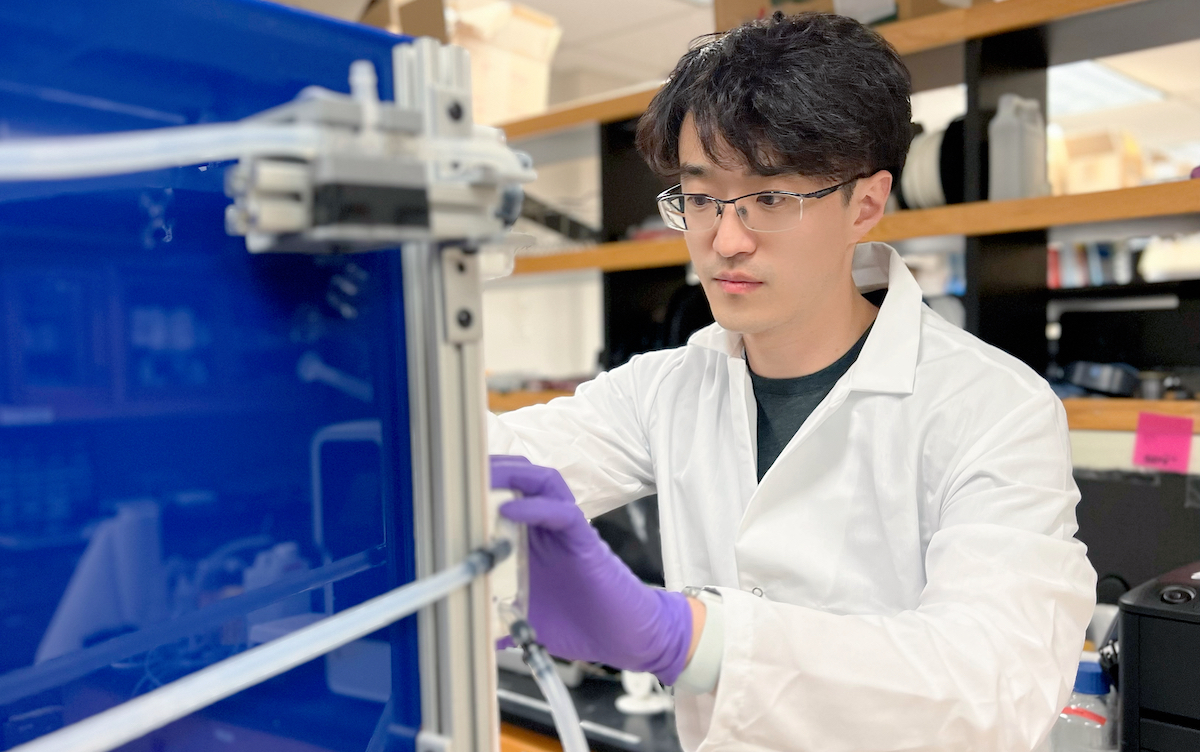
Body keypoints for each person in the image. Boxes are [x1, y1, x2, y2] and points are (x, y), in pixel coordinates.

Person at [488, 11, 1096, 752]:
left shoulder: (995, 408)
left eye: (771, 199)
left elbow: (992, 684)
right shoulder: (664, 389)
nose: (726, 240)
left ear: (866, 205)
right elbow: (482, 462)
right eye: (703, 198)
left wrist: (689, 637)